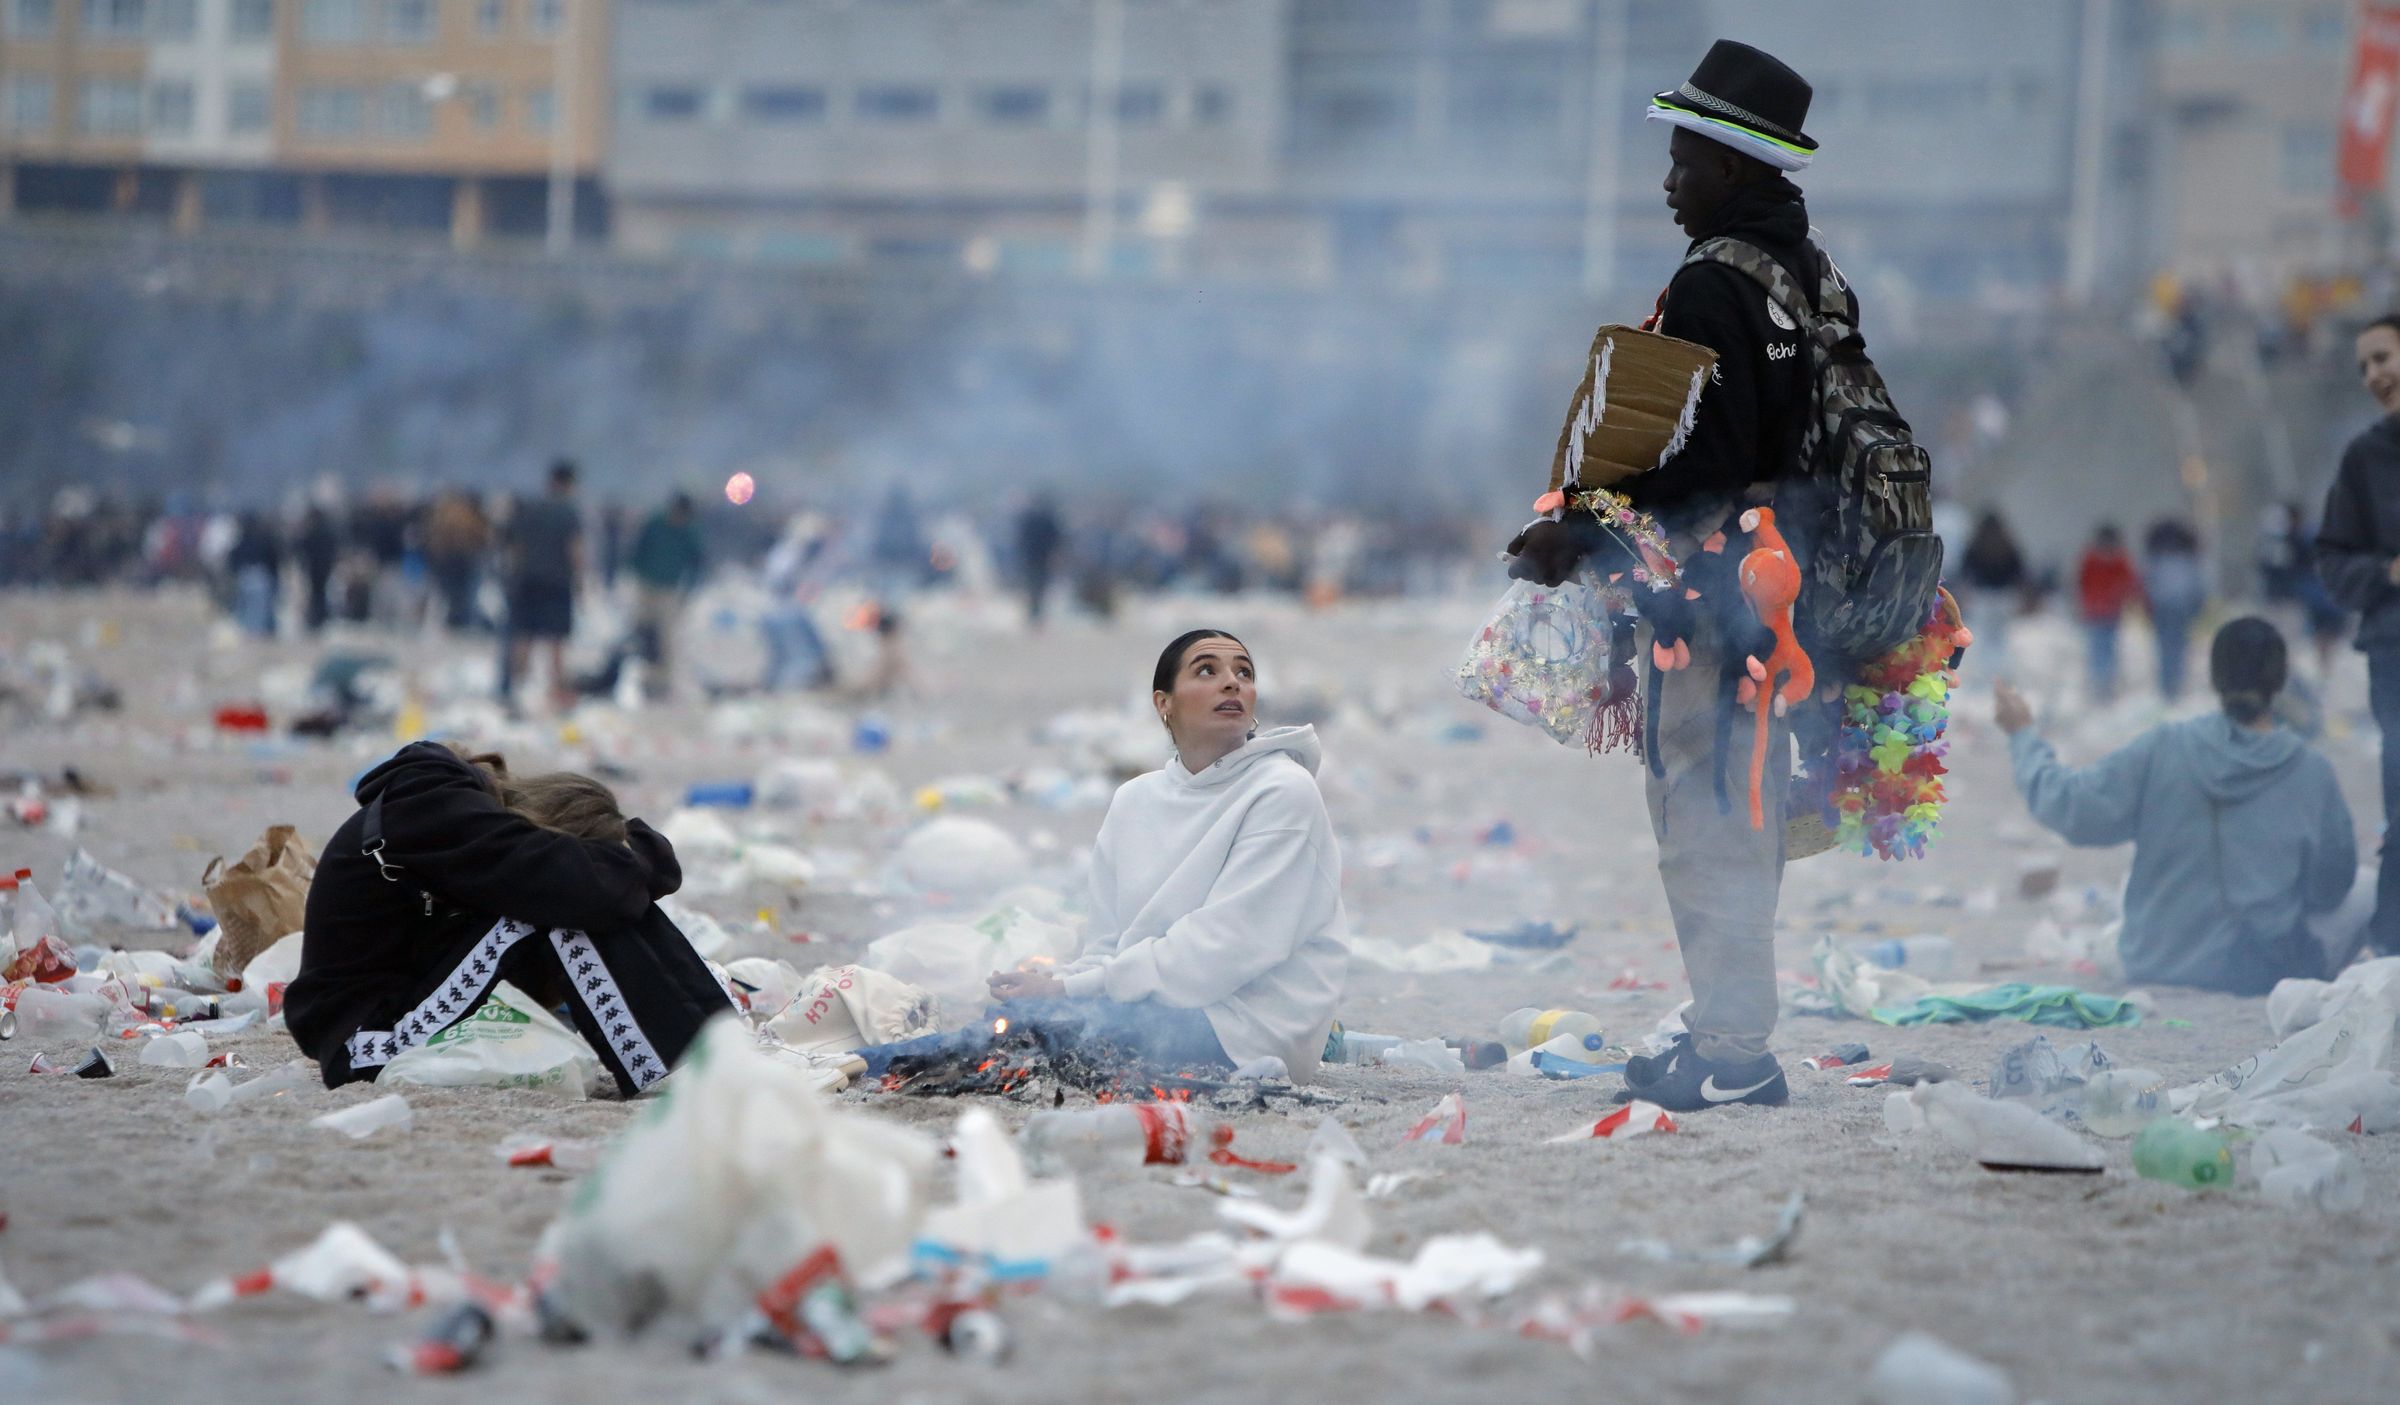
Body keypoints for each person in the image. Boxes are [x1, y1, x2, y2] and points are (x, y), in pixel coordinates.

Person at [1503, 39, 1835, 1110]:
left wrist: (1578, 529)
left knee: (1707, 813)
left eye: (1684, 161)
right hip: (1788, 585)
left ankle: (1735, 1051)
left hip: (1718, 602)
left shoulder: (1711, 283)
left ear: (1731, 167)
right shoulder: (1804, 271)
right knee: (1743, 804)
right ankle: (1724, 1025)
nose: (1669, 182)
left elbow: (1706, 468)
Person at [858, 630, 1349, 1082]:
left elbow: (1226, 949)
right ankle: (870, 1066)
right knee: (1016, 1021)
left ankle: (864, 1067)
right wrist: (1054, 981)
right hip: (1151, 1004)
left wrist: (1068, 992)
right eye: (1207, 670)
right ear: (1164, 703)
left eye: (1244, 672)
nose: (1232, 683)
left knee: (1033, 1034)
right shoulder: (1135, 800)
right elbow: (1108, 947)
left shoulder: (1283, 791)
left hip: (1246, 1028)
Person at [284, 741, 733, 1095]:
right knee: (565, 903)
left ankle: (717, 1044)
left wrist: (630, 858)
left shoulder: (451, 812)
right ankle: (676, 1063)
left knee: (575, 894)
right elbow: (586, 888)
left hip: (395, 1010)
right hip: (364, 1045)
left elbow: (618, 882)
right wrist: (630, 860)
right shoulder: (431, 807)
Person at [1996, 619, 2358, 994]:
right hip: (2263, 968)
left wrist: (2023, 735)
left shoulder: (2165, 745)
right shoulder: (2311, 769)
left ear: (2214, 679)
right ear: (2280, 682)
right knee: (2364, 888)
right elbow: (2331, 886)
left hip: (2158, 959)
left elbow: (2070, 806)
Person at [2315, 312, 2400, 956]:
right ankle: (2391, 950)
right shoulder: (2364, 459)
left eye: (2383, 357)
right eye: (2364, 366)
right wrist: (2386, 572)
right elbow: (2333, 563)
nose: (2373, 374)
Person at [499, 460, 583, 712]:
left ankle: (517, 689)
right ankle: (556, 694)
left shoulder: (530, 509)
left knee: (524, 637)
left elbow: (514, 547)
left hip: (527, 581)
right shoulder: (569, 512)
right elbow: (575, 549)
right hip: (557, 582)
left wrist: (512, 578)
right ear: (569, 483)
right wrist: (580, 581)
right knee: (556, 641)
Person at [625, 493, 705, 700]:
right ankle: (645, 678)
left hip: (670, 589)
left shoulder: (690, 531)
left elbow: (697, 561)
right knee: (644, 633)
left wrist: (689, 589)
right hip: (646, 585)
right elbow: (638, 549)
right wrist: (632, 574)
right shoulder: (655, 523)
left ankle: (664, 682)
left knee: (667, 637)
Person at [2076, 523, 2143, 703]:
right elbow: (2082, 583)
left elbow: (2128, 583)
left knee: (2105, 648)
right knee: (2100, 647)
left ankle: (2105, 683)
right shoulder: (2093, 559)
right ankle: (2100, 683)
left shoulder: (2115, 560)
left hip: (2108, 611)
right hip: (2098, 611)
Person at [2142, 517, 2207, 701]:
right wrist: (2198, 606)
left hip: (2163, 607)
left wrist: (2147, 605)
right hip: (2179, 608)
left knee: (2165, 646)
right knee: (2179, 646)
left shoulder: (2156, 560)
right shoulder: (2188, 561)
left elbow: (2147, 584)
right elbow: (2197, 586)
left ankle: (2167, 685)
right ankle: (2174, 683)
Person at [1959, 509, 2028, 678]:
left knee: (1983, 636)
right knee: (2001, 637)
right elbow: (2019, 572)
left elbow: (1965, 570)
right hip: (2004, 596)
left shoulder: (1976, 545)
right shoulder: (2007, 545)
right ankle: (2001, 671)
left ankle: (1985, 672)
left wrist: (1965, 592)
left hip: (1982, 596)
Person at [1015, 492, 1067, 630]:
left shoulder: (1029, 519)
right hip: (1042, 559)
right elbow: (1057, 540)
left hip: (1032, 559)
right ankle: (1036, 617)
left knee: (1034, 588)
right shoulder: (1049, 519)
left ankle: (1034, 616)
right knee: (1040, 589)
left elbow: (1021, 540)